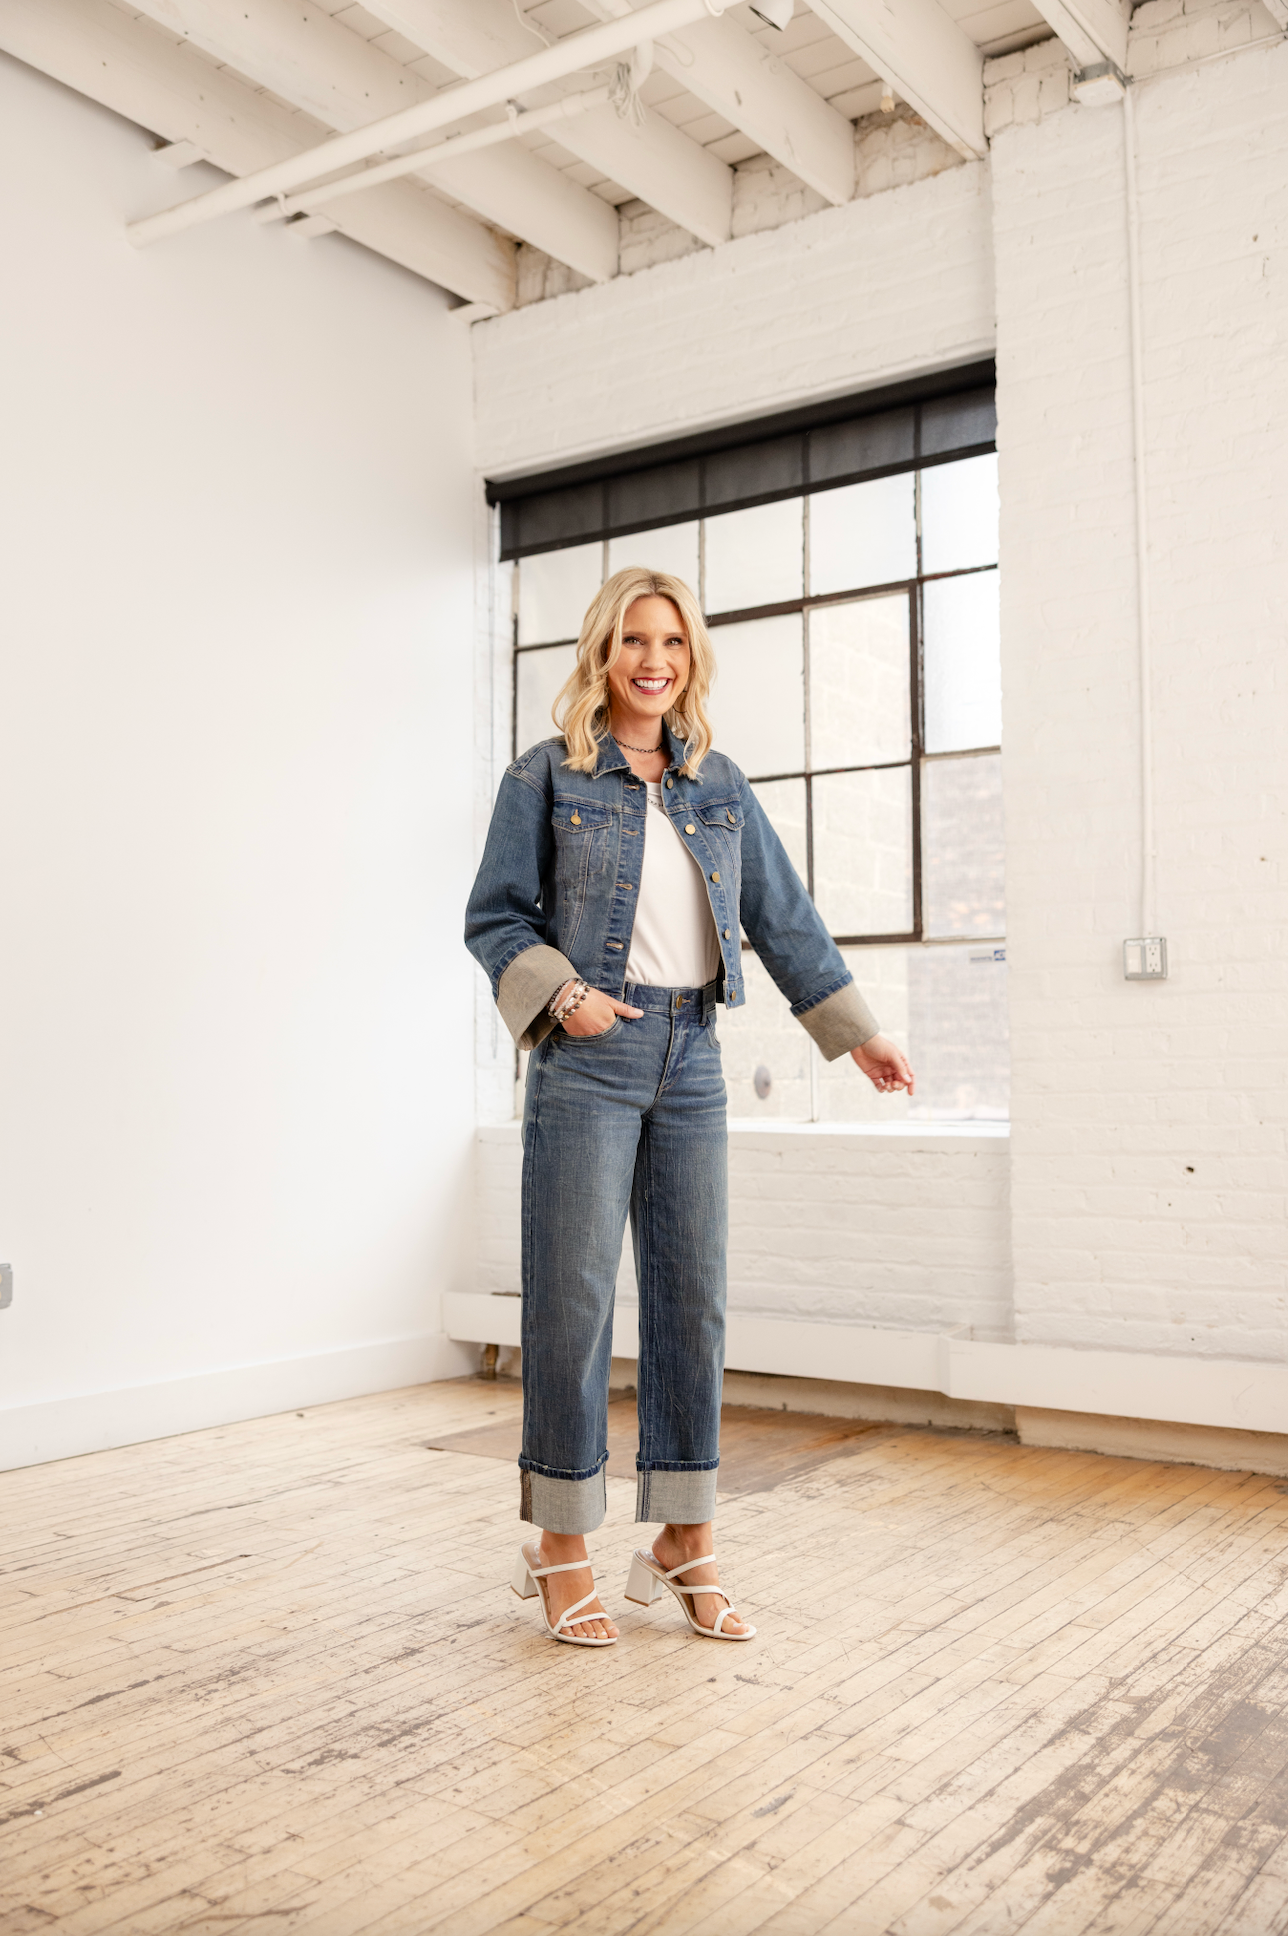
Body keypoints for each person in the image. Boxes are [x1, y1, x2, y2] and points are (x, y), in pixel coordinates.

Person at [465, 568, 914, 1646]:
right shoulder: (548, 778)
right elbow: (493, 919)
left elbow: (781, 917)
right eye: (632, 640)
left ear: (689, 657)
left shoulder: (719, 787)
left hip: (694, 1057)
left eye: (669, 641)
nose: (652, 659)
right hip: (590, 1057)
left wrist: (857, 1034)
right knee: (572, 1306)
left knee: (690, 1302)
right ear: (601, 655)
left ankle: (682, 1536)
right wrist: (564, 999)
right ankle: (561, 1544)